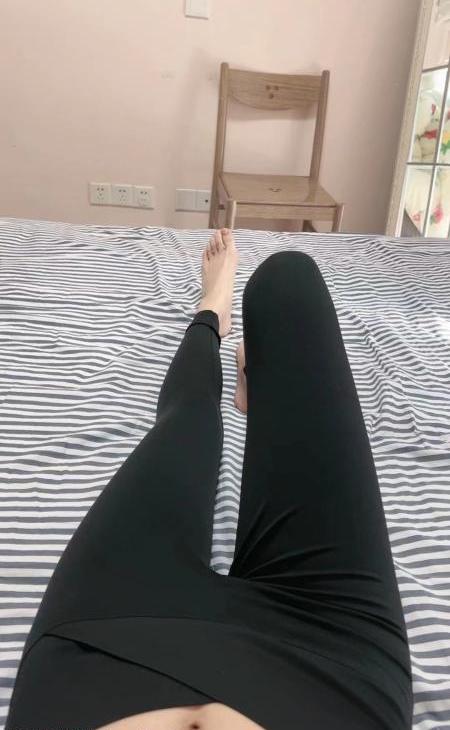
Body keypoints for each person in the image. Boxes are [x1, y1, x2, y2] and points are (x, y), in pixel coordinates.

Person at [5, 229, 413, 730]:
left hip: (106, 640)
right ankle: (250, 372)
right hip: (334, 662)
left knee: (188, 419)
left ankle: (211, 312)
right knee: (287, 280)